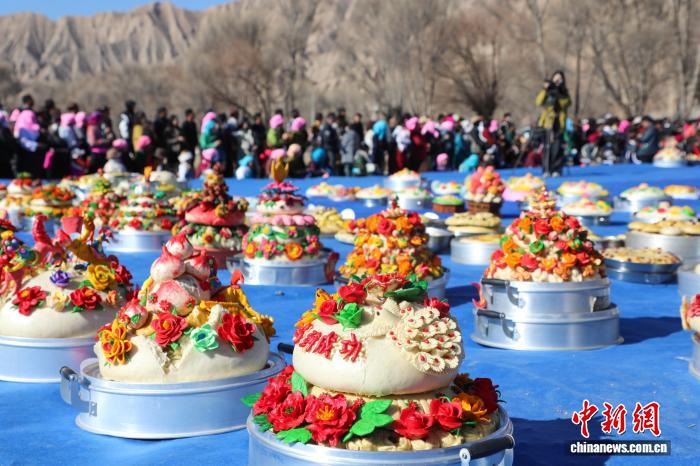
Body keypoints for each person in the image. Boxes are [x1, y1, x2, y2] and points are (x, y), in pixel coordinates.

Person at [535, 70, 571, 177]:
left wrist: (559, 93)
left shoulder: (564, 92)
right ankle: (546, 169)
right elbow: (538, 102)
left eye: (560, 78)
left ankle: (556, 169)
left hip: (558, 123)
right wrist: (545, 89)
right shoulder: (547, 90)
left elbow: (566, 103)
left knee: (557, 146)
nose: (557, 80)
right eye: (556, 78)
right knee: (547, 146)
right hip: (547, 122)